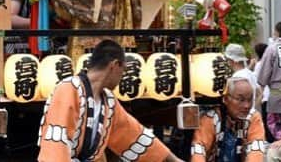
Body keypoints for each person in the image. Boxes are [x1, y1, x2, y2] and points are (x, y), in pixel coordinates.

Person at [38, 39, 184, 162]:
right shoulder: (68, 89)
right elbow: (56, 142)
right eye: (123, 71)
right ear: (114, 66)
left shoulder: (108, 101)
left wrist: (175, 161)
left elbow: (135, 135)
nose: (122, 77)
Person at [191, 76, 266, 162]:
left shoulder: (253, 117)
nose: (247, 105)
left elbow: (256, 149)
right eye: (240, 99)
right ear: (226, 99)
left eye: (249, 100)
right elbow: (198, 150)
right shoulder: (211, 117)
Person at [224, 43, 261, 111]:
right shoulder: (249, 73)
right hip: (249, 115)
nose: (227, 62)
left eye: (228, 59)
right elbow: (260, 94)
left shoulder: (237, 77)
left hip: (241, 116)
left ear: (232, 60)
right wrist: (252, 109)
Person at [252, 42, 271, 141]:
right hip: (270, 93)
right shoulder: (268, 63)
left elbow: (255, 78)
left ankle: (268, 138)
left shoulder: (259, 64)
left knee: (265, 117)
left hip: (264, 94)